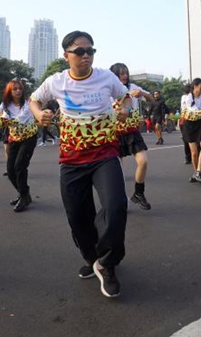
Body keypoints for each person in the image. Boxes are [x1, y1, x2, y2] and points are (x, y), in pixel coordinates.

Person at [29, 31, 131, 299]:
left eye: (90, 51)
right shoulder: (56, 81)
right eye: (79, 51)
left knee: (116, 205)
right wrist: (40, 114)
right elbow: (34, 99)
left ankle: (107, 263)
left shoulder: (106, 77)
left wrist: (124, 109)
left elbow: (126, 97)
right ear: (66, 56)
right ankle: (92, 257)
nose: (86, 55)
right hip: (72, 159)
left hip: (104, 153)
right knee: (77, 216)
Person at [110, 63, 155, 211]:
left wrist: (141, 94)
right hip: (115, 133)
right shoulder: (109, 90)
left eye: (126, 73)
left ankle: (139, 193)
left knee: (143, 161)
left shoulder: (133, 87)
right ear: (114, 75)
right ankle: (120, 199)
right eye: (121, 74)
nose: (124, 76)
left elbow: (151, 99)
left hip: (132, 131)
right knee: (118, 171)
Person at [0, 79, 39, 212]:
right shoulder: (5, 105)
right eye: (15, 89)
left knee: (20, 166)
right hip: (14, 138)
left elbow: (20, 119)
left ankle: (24, 196)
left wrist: (2, 122)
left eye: (20, 88)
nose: (18, 91)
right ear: (9, 91)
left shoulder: (28, 104)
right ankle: (24, 194)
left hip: (29, 137)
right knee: (10, 170)